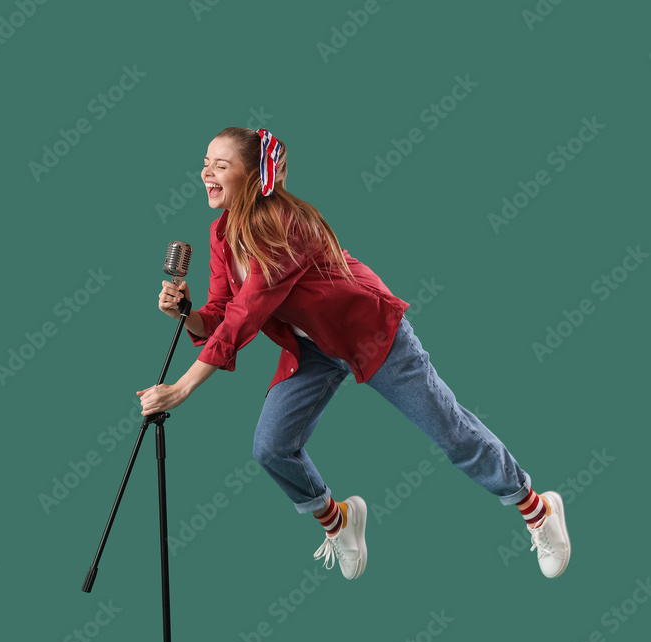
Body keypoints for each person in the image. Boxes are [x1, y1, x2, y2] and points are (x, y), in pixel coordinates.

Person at [137, 127, 571, 581]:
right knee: (271, 447)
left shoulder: (286, 227)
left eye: (221, 166)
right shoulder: (223, 233)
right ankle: (339, 521)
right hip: (312, 346)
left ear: (253, 176)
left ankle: (538, 510)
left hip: (368, 333)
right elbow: (221, 310)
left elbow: (245, 315)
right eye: (206, 162)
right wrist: (187, 313)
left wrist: (182, 389)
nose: (206, 172)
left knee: (450, 430)